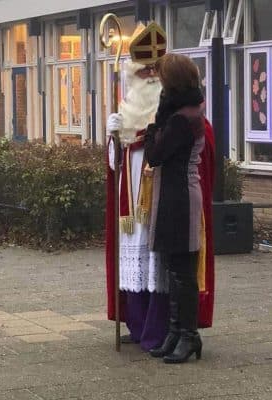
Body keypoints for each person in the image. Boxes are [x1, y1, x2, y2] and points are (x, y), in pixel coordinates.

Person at [144, 53, 207, 364]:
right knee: (172, 268)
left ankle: (189, 335)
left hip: (181, 196)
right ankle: (174, 331)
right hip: (172, 193)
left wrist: (150, 130)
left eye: (163, 78)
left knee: (183, 271)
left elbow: (155, 155)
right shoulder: (181, 112)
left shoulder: (184, 118)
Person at [105, 58, 167, 352]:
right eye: (144, 70)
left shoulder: (168, 109)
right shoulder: (127, 108)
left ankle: (157, 330)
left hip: (157, 196)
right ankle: (137, 325)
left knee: (156, 265)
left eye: (155, 70)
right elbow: (113, 164)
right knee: (132, 263)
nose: (151, 76)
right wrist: (113, 137)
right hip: (129, 199)